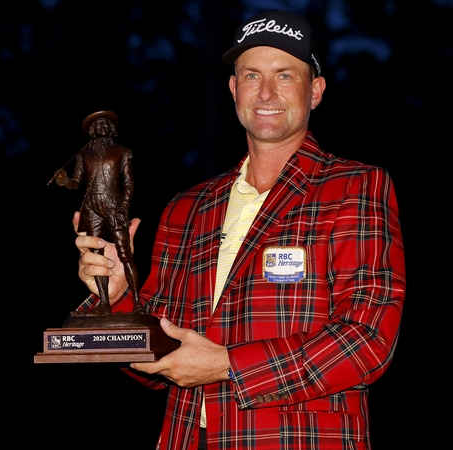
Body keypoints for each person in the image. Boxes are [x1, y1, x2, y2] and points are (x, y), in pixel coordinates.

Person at [71, 9, 405, 450]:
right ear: (233, 90)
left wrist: (227, 365)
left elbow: (368, 340)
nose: (266, 92)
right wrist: (117, 296)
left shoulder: (355, 187)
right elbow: (159, 355)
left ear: (315, 92)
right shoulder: (187, 208)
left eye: (285, 75)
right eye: (251, 75)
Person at [53, 110, 143, 316]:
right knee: (95, 254)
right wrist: (64, 180)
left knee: (125, 254)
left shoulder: (122, 151)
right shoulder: (84, 154)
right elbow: (76, 182)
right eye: (98, 124)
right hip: (91, 207)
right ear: (92, 130)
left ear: (112, 128)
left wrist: (123, 207)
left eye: (105, 124)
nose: (102, 127)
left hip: (114, 207)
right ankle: (104, 302)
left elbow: (129, 183)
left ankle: (138, 302)